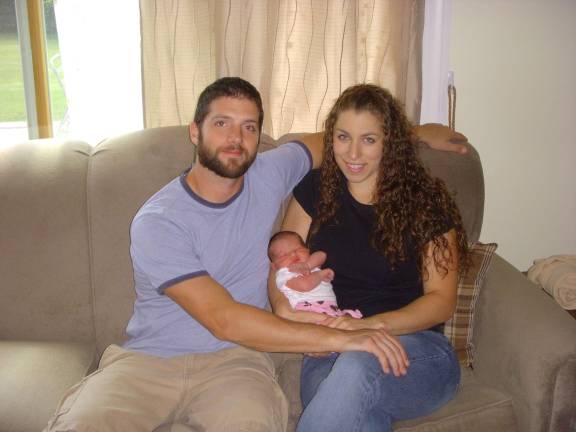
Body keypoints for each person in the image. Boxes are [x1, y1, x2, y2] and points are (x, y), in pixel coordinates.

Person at [44, 77, 467, 432]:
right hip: (150, 362)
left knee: (357, 370)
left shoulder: (274, 171)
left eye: (249, 127)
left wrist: (414, 132)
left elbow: (342, 135)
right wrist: (325, 328)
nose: (235, 138)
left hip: (244, 364)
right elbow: (237, 307)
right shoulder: (158, 220)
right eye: (222, 123)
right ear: (195, 131)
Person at [268, 83, 469, 432]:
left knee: (358, 366)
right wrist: (287, 312)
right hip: (329, 349)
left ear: (390, 143)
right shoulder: (315, 190)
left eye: (369, 140)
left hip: (418, 348)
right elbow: (281, 267)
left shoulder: (425, 203)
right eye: (343, 137)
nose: (353, 153)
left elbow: (441, 301)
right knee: (361, 417)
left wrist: (366, 327)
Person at [268, 230, 362, 318]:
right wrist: (321, 275)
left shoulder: (309, 264)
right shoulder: (285, 273)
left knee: (345, 321)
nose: (293, 255)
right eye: (284, 255)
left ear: (308, 250)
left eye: (298, 249)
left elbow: (322, 255)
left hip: (330, 307)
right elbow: (305, 285)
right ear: (274, 266)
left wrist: (308, 265)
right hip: (307, 309)